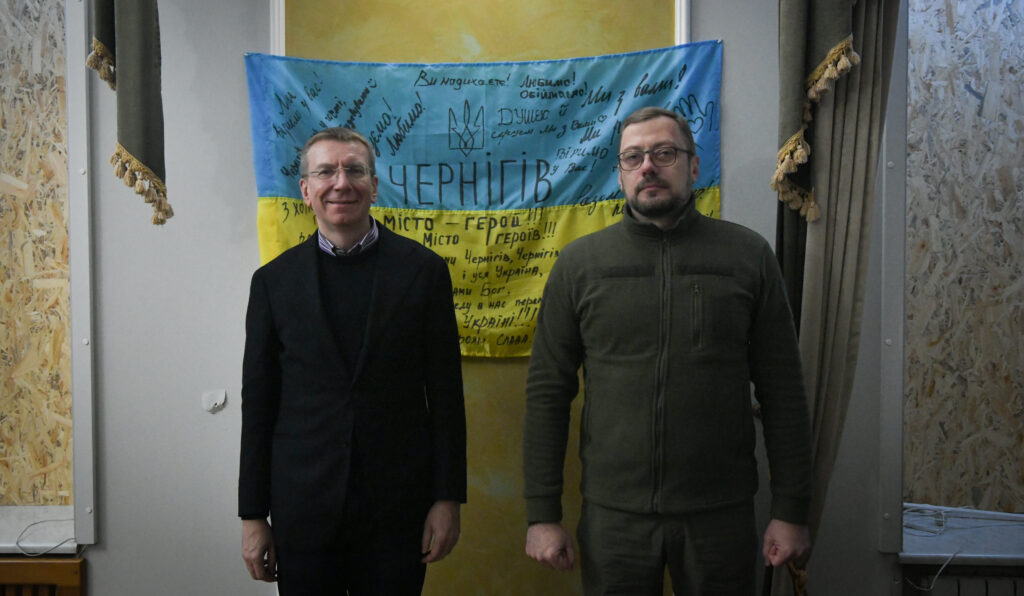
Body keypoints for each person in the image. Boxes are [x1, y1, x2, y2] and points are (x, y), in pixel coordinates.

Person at [522, 107, 812, 594]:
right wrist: (541, 515)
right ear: (620, 174)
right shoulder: (580, 266)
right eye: (632, 157)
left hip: (719, 517)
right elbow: (547, 394)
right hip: (615, 520)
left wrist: (791, 510)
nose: (647, 167)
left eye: (664, 153)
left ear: (694, 167)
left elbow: (783, 391)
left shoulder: (747, 256)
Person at [238, 127, 466, 595]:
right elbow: (257, 407)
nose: (341, 183)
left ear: (374, 186)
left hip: (397, 511)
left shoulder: (424, 272)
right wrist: (252, 515)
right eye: (325, 172)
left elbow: (446, 397)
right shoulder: (272, 283)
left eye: (354, 170)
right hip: (302, 512)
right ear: (306, 190)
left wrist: (447, 499)